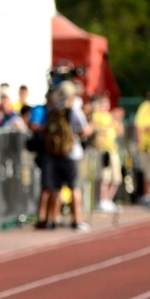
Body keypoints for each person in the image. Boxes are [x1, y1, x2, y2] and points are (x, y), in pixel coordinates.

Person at [42, 81, 92, 231]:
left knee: (55, 188)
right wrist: (92, 125)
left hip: (54, 153)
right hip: (72, 154)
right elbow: (84, 131)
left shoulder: (53, 110)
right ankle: (77, 220)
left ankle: (54, 219)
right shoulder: (73, 110)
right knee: (75, 187)